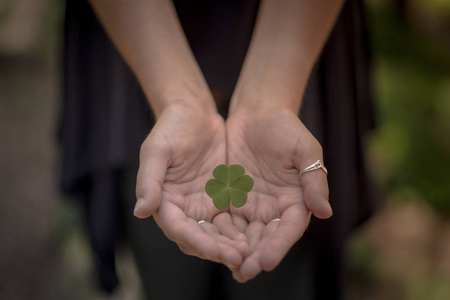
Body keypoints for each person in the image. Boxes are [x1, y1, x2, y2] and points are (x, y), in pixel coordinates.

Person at [60, 0, 376, 299]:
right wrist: (176, 97)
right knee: (170, 280)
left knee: (282, 283)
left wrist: (271, 97)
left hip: (297, 39)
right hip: (137, 43)